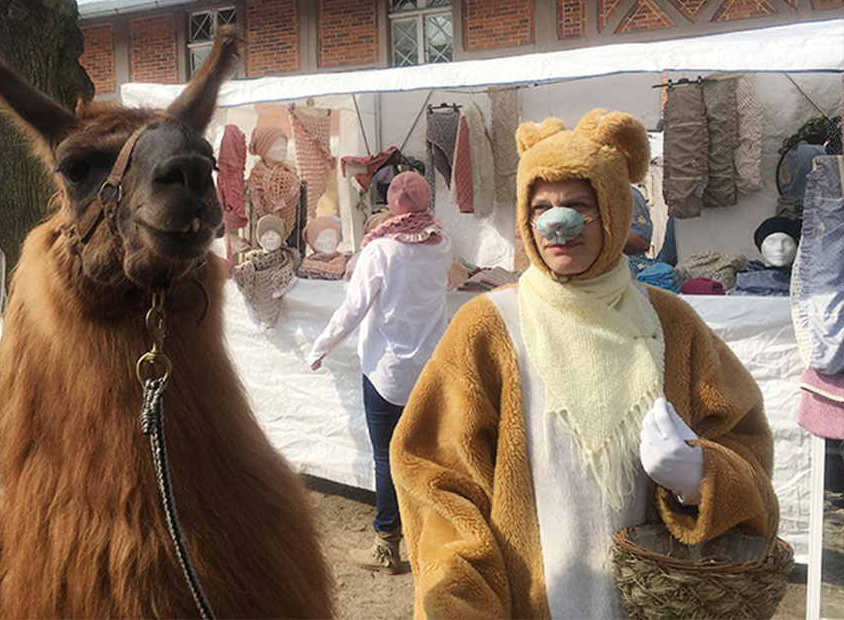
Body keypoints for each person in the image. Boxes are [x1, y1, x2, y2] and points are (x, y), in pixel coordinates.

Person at [391, 110, 776, 618]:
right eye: (541, 206)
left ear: (614, 210)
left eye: (577, 205)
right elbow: (437, 480)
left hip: (654, 602)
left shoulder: (670, 324)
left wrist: (701, 475)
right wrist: (460, 604)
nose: (558, 224)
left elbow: (744, 441)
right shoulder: (488, 326)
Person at [308, 171, 452, 574]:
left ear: (392, 204)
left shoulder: (382, 251)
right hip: (429, 367)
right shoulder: (441, 244)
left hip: (388, 371)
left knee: (387, 458)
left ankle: (386, 546)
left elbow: (352, 310)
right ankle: (429, 542)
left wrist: (321, 348)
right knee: (422, 454)